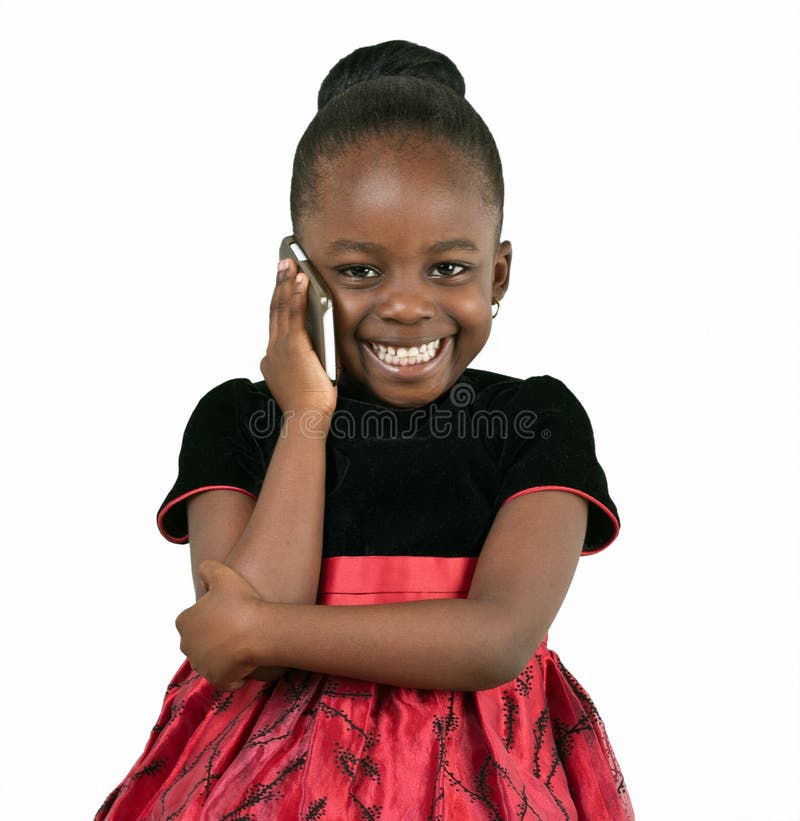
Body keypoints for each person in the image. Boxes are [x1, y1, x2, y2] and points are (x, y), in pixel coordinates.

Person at [96, 40, 634, 820]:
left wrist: (264, 631)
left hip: (478, 786)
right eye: (358, 270)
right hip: (267, 782)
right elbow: (234, 654)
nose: (407, 305)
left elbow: (497, 638)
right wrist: (306, 415)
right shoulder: (241, 421)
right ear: (299, 274)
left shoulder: (537, 420)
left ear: (499, 273)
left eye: (448, 267)